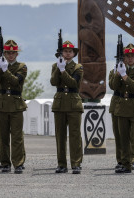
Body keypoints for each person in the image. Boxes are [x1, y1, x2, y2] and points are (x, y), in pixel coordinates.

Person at [0, 39, 27, 174]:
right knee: (3, 136)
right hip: (2, 104)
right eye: (8, 53)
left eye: (13, 53)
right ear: (4, 54)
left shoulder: (22, 67)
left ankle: (18, 163)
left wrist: (5, 70)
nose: (10, 55)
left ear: (16, 54)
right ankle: (5, 162)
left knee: (17, 136)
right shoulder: (0, 66)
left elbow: (16, 82)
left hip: (16, 104)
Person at [112, 43, 134, 175]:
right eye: (127, 56)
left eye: (132, 56)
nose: (130, 58)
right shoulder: (121, 70)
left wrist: (125, 76)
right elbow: (113, 86)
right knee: (124, 138)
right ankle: (126, 164)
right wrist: (118, 73)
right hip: (122, 107)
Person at [51, 40, 84, 174]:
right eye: (65, 51)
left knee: (75, 135)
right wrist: (59, 69)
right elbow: (53, 82)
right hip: (59, 104)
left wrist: (63, 70)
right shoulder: (55, 66)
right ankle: (61, 164)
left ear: (73, 54)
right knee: (60, 136)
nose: (68, 54)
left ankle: (76, 163)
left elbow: (73, 83)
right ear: (61, 53)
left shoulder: (78, 67)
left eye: (70, 52)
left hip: (73, 103)